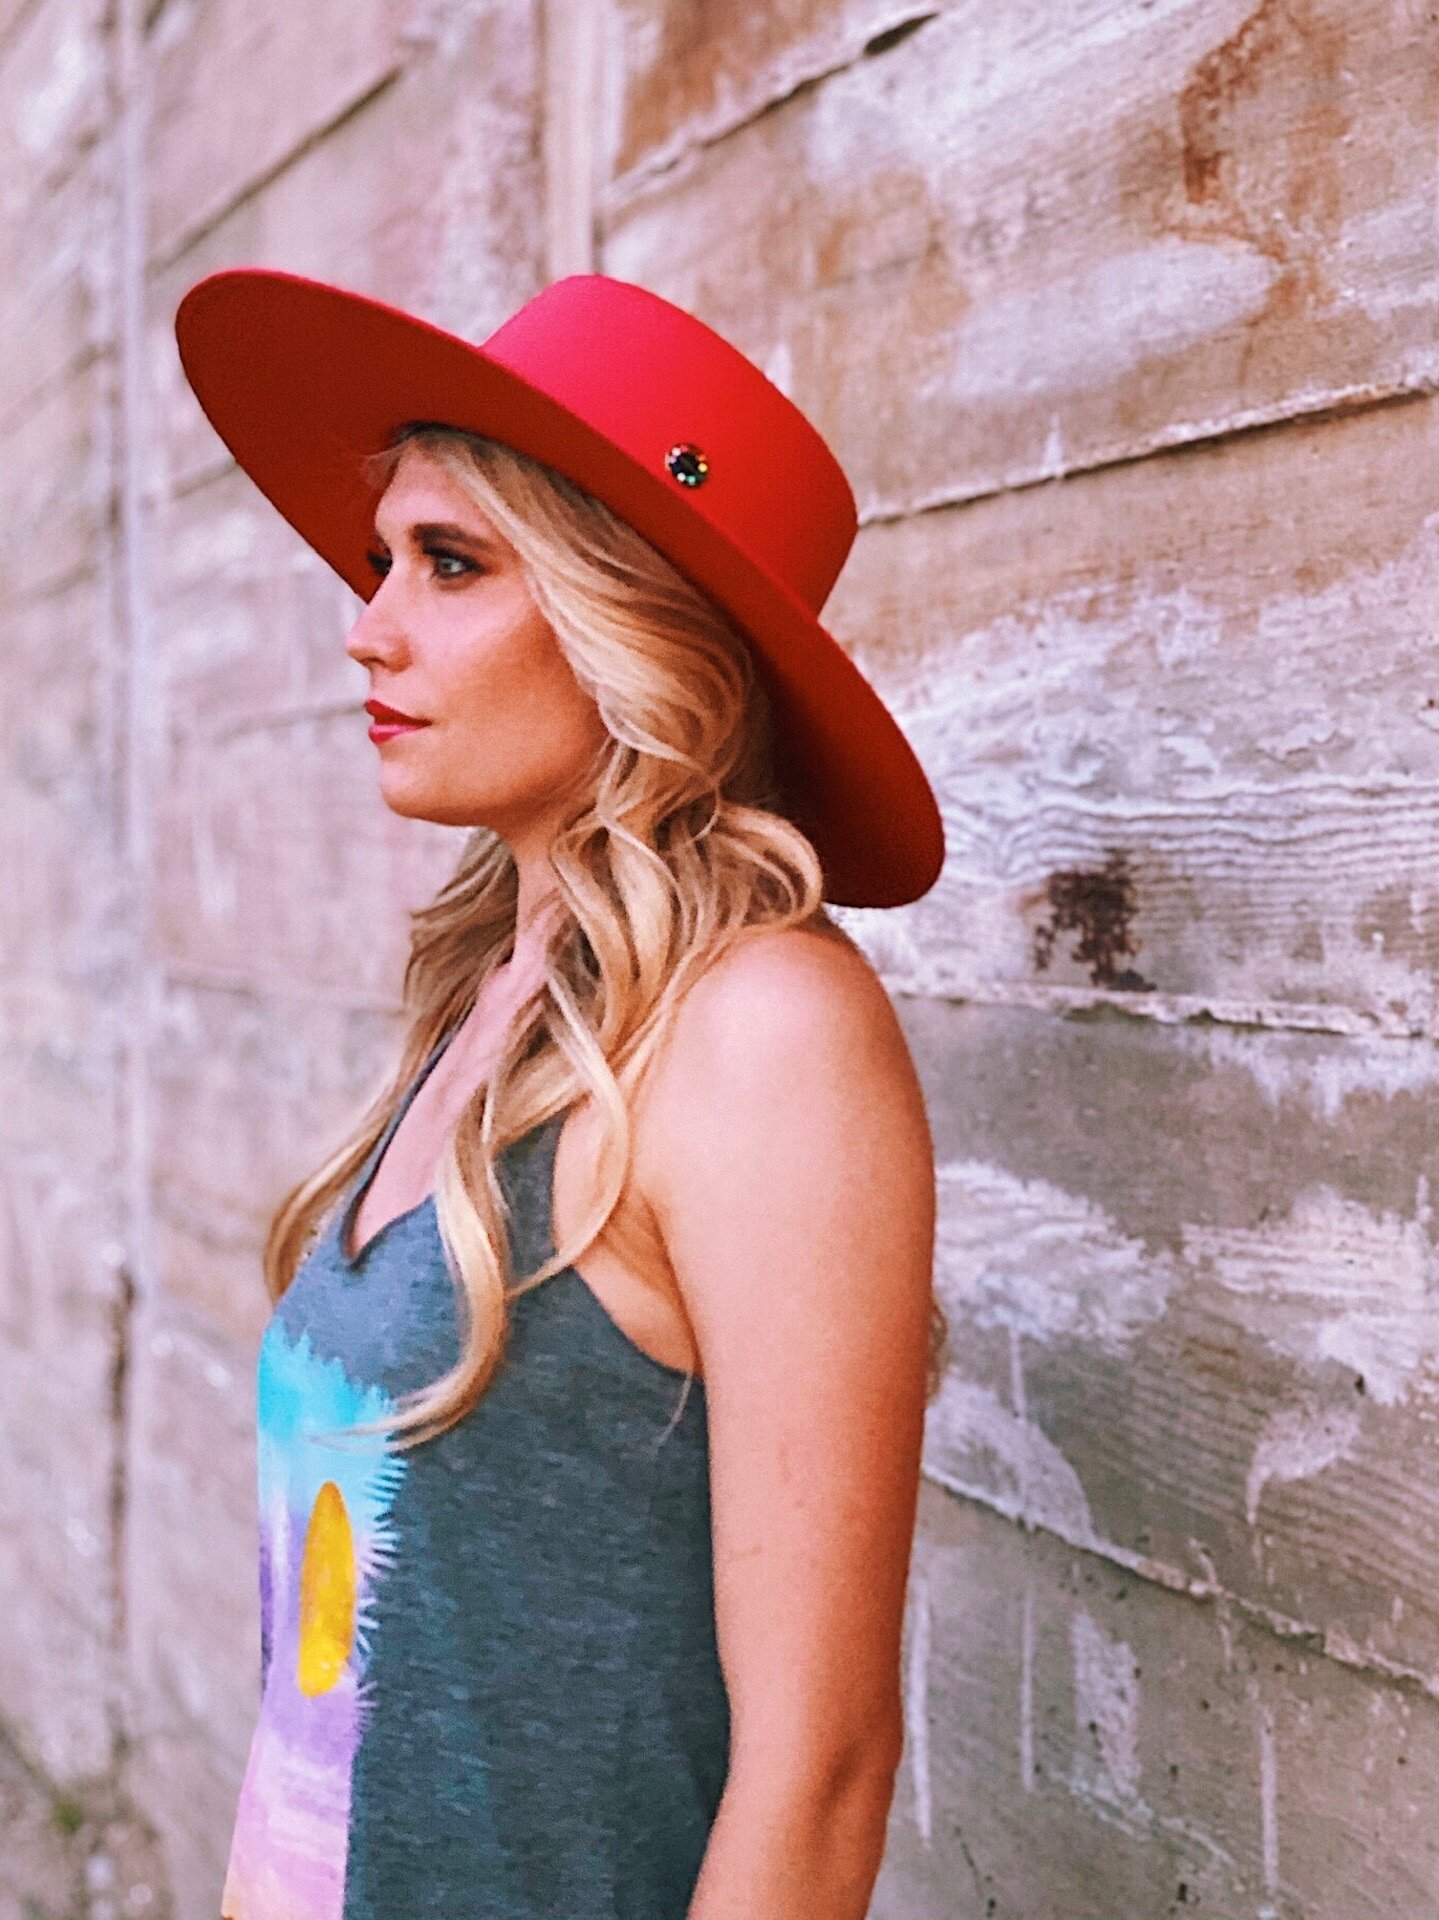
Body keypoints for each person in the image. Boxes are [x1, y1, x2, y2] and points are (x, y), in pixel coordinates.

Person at [174, 267, 948, 1920]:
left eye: (450, 562)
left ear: (633, 616)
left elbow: (821, 1769)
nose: (366, 619)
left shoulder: (763, 1037)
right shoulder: (489, 1014)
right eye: (385, 558)